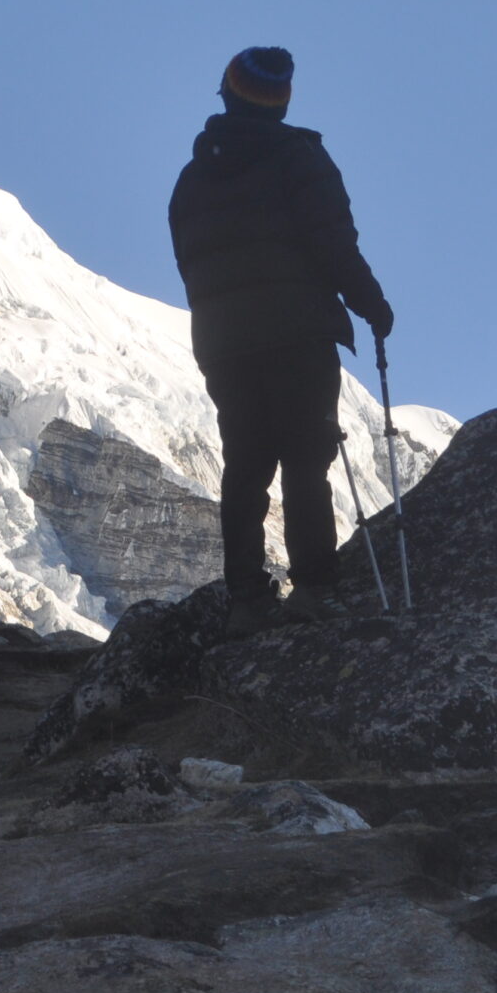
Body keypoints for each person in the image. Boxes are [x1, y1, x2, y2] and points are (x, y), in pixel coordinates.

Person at [168, 47, 393, 632]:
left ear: (226, 94)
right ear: (281, 102)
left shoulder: (192, 180)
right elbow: (332, 241)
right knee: (304, 455)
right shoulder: (300, 159)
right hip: (297, 332)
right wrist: (370, 303)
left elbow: (190, 264)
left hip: (226, 344)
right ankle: (314, 587)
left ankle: (246, 598)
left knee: (245, 464)